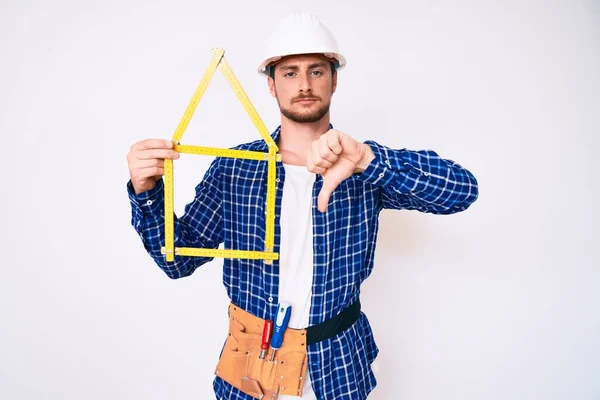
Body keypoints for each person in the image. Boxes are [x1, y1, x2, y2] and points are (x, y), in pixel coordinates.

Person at [126, 12, 479, 400]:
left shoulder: (361, 165)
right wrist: (147, 190)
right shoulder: (235, 168)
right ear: (272, 86)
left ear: (335, 79)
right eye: (290, 73)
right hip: (250, 368)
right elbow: (176, 262)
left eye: (316, 71)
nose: (305, 84)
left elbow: (461, 191)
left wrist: (367, 160)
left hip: (338, 369)